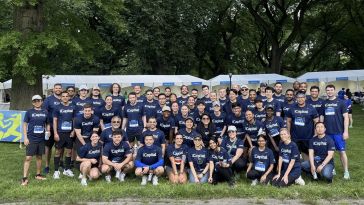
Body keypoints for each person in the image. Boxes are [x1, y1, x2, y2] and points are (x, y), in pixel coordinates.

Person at [321, 84, 350, 180]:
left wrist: (345, 131)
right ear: (326, 91)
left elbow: (346, 117)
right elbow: (322, 117)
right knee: (329, 152)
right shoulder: (324, 103)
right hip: (328, 133)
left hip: (338, 132)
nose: (329, 91)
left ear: (334, 91)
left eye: (331, 90)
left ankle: (346, 171)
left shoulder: (341, 102)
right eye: (328, 90)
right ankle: (332, 168)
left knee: (342, 152)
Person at [21, 95, 50, 186]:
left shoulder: (45, 112)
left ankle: (38, 174)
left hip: (41, 139)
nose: (37, 102)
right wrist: (25, 137)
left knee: (39, 157)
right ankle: (24, 178)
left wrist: (48, 131)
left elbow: (48, 123)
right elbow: (25, 124)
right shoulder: (29, 112)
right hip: (31, 138)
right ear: (33, 102)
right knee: (28, 158)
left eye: (39, 100)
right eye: (35, 101)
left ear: (42, 101)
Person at [286, 92, 319, 160]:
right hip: (295, 137)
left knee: (308, 154)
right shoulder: (292, 108)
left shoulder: (311, 108)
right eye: (298, 97)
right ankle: (297, 168)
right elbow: (288, 121)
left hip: (308, 137)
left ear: (305, 98)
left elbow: (316, 121)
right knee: (295, 154)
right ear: (296, 98)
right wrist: (288, 133)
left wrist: (316, 134)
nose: (300, 99)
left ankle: (307, 168)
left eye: (302, 97)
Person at [52, 91, 76, 179]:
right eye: (63, 96)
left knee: (69, 151)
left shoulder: (73, 107)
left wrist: (73, 130)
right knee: (58, 151)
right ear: (61, 97)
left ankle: (67, 169)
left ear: (69, 97)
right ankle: (56, 170)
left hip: (69, 133)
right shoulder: (57, 107)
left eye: (67, 96)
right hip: (60, 133)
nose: (65, 97)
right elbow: (55, 120)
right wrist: (55, 133)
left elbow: (74, 120)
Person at [42, 84, 62, 174]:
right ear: (53, 89)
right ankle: (47, 165)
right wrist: (47, 128)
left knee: (60, 147)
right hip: (50, 127)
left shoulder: (64, 98)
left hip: (61, 128)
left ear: (62, 89)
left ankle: (60, 162)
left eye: (59, 88)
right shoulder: (48, 100)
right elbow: (45, 113)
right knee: (48, 147)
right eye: (56, 88)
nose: (58, 89)